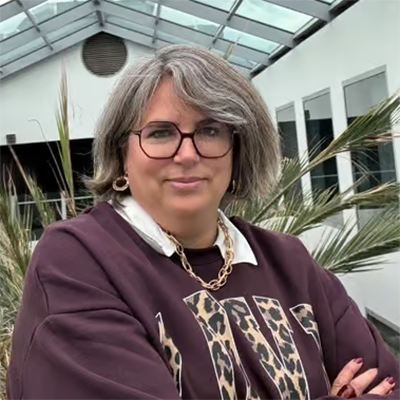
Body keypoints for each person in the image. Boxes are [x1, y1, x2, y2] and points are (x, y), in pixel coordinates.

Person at [6, 44, 399, 400]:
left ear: (238, 150)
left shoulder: (289, 261)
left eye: (210, 130)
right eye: (160, 133)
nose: (187, 154)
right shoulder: (78, 262)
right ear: (122, 155)